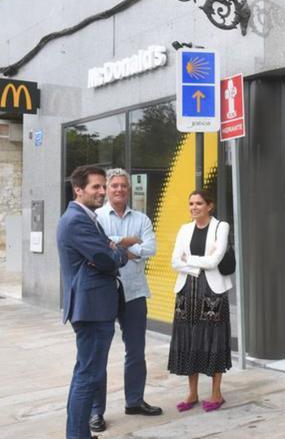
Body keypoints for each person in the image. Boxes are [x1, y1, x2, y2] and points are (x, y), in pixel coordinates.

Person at [57, 165, 128, 439]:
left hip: (94, 306)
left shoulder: (86, 217)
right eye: (96, 187)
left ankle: (78, 434)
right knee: (88, 376)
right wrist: (115, 250)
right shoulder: (76, 220)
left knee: (86, 373)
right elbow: (109, 259)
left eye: (103, 186)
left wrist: (111, 248)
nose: (102, 192)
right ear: (78, 190)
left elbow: (106, 253)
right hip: (92, 308)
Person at [89, 169, 161, 433]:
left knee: (136, 351)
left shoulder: (141, 218)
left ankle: (134, 401)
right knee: (99, 354)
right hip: (104, 292)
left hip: (134, 291)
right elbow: (97, 247)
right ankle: (96, 411)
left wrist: (115, 246)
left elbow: (150, 248)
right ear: (107, 189)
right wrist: (129, 244)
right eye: (114, 185)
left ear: (129, 189)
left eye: (123, 186)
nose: (119, 190)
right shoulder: (96, 217)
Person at [168, 190, 233, 412]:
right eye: (191, 203)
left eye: (199, 203)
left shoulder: (220, 227)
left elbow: (216, 260)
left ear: (209, 206)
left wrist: (191, 260)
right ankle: (192, 393)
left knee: (214, 340)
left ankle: (216, 394)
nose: (194, 207)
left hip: (213, 291)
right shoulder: (184, 229)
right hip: (186, 290)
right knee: (188, 340)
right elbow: (175, 262)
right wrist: (200, 264)